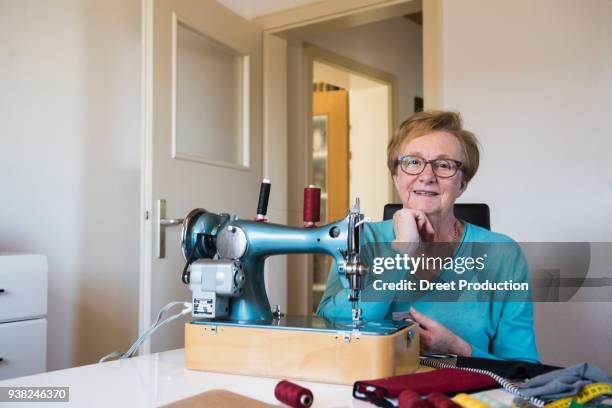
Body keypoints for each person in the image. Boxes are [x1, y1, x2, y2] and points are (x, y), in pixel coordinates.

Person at [317, 110, 539, 362]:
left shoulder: (504, 255)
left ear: (462, 184)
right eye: (413, 162)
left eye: (444, 165)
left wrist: (457, 348)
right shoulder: (359, 240)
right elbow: (332, 329)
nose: (426, 176)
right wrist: (400, 251)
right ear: (395, 175)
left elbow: (524, 369)